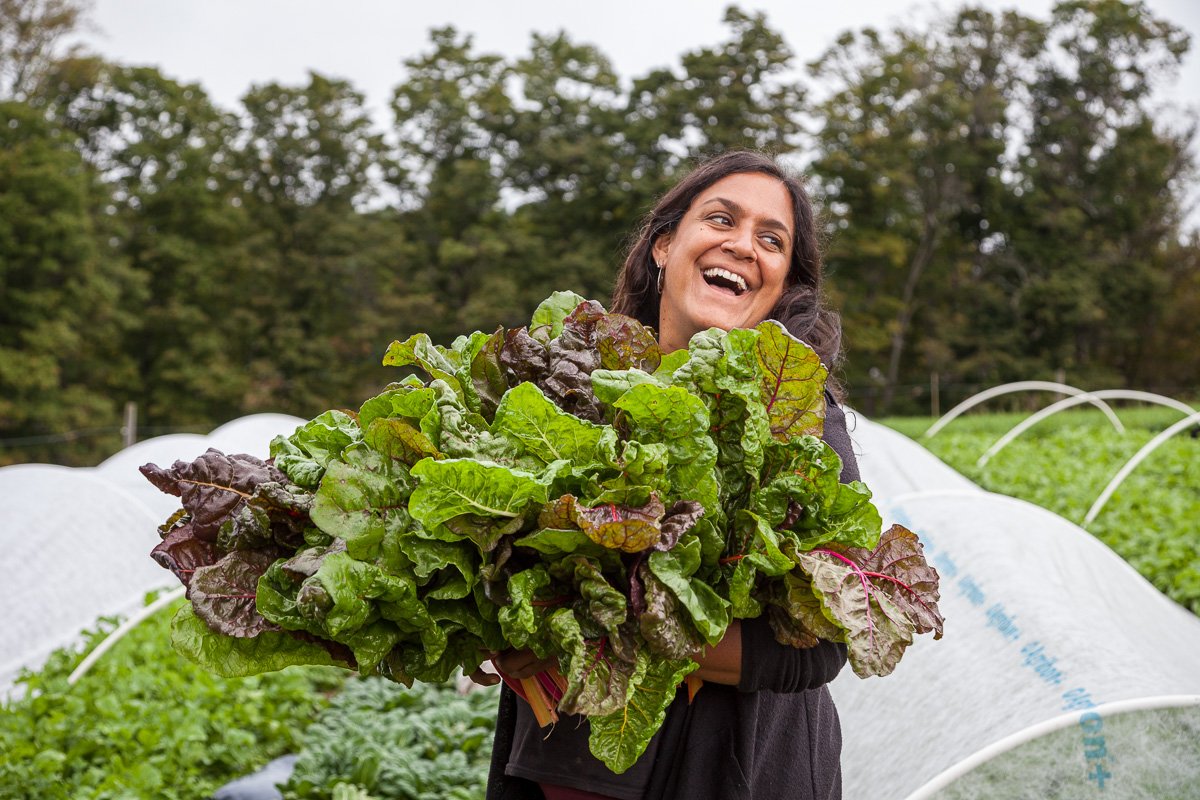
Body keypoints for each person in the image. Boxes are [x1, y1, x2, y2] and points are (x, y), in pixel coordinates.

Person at [483, 150, 858, 800]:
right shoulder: (568, 387)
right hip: (566, 772)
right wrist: (497, 619)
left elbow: (819, 644)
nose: (743, 246)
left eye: (772, 239)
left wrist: (576, 629)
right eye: (722, 219)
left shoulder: (793, 412)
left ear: (782, 282)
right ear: (663, 245)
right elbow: (492, 568)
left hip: (730, 773)